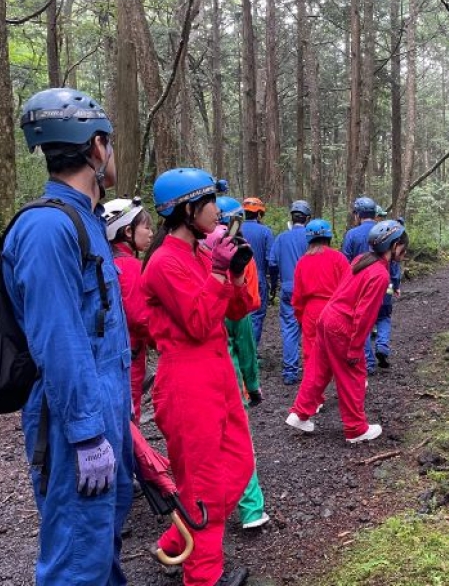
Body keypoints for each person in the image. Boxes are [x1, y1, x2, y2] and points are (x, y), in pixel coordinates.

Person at [3, 87, 134, 584]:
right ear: (97, 147)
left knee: (103, 549)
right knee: (77, 561)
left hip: (105, 411)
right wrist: (86, 433)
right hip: (73, 425)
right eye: (111, 144)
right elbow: (59, 342)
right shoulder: (46, 229)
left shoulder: (88, 222)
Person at [141, 168, 255, 586]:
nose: (218, 212)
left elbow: (235, 312)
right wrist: (219, 276)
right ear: (187, 210)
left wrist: (235, 275)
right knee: (204, 484)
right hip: (187, 381)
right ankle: (202, 576)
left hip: (217, 373)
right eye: (210, 203)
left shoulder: (204, 252)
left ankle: (177, 540)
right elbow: (195, 321)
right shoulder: (162, 263)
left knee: (238, 466)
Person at [286, 220, 409, 443]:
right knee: (353, 373)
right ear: (393, 245)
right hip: (341, 323)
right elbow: (365, 315)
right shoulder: (380, 275)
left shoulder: (361, 260)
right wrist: (354, 349)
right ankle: (355, 428)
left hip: (326, 316)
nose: (404, 250)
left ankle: (300, 413)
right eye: (402, 245)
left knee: (318, 368)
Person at [206, 197, 269, 530]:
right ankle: (250, 507)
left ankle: (208, 510)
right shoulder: (227, 275)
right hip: (226, 374)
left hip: (196, 378)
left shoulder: (187, 266)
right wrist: (253, 385)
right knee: (238, 443)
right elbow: (243, 338)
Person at [103, 197, 153, 424]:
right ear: (128, 232)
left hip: (111, 354)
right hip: (129, 357)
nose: (151, 233)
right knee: (129, 422)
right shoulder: (130, 266)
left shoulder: (106, 262)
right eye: (146, 227)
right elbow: (141, 317)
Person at [291, 219, 350, 370]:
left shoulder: (302, 262)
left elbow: (297, 296)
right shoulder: (339, 258)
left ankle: (313, 391)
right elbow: (349, 289)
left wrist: (300, 317)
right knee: (340, 351)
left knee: (311, 354)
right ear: (329, 237)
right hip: (335, 310)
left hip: (311, 311)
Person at [267, 201, 311, 385]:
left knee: (290, 330)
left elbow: (272, 263)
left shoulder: (282, 238)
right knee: (310, 330)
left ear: (291, 218)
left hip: (288, 289)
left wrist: (274, 286)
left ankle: (290, 372)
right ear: (307, 219)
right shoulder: (311, 237)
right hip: (310, 289)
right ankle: (312, 370)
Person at [341, 196, 380, 373]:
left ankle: (368, 360)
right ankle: (374, 353)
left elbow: (345, 262)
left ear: (358, 215)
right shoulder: (381, 230)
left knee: (359, 320)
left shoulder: (352, 234)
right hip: (379, 281)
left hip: (358, 286)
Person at [241, 197, 275, 344]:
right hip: (257, 278)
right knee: (256, 316)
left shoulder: (236, 229)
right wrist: (272, 282)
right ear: (259, 214)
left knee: (238, 317)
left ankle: (238, 352)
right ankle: (252, 352)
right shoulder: (266, 232)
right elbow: (271, 260)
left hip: (236, 277)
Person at [372, 206, 401, 368]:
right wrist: (396, 286)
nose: (381, 218)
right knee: (384, 316)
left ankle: (369, 357)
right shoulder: (387, 241)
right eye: (379, 216)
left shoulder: (374, 240)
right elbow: (395, 269)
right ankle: (382, 345)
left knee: (375, 317)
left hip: (371, 286)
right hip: (386, 286)